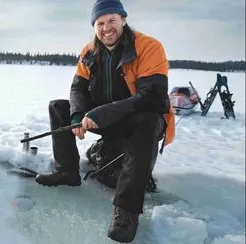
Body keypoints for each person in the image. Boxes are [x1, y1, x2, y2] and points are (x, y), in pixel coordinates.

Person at [35, 0, 175, 242]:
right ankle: (67, 171)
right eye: (100, 23)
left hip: (138, 117)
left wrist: (101, 114)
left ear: (123, 19)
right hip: (102, 116)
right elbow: (78, 88)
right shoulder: (89, 51)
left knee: (148, 120)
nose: (106, 27)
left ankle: (126, 211)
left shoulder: (149, 47)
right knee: (59, 107)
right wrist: (78, 115)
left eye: (112, 20)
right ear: (94, 26)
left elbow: (152, 98)